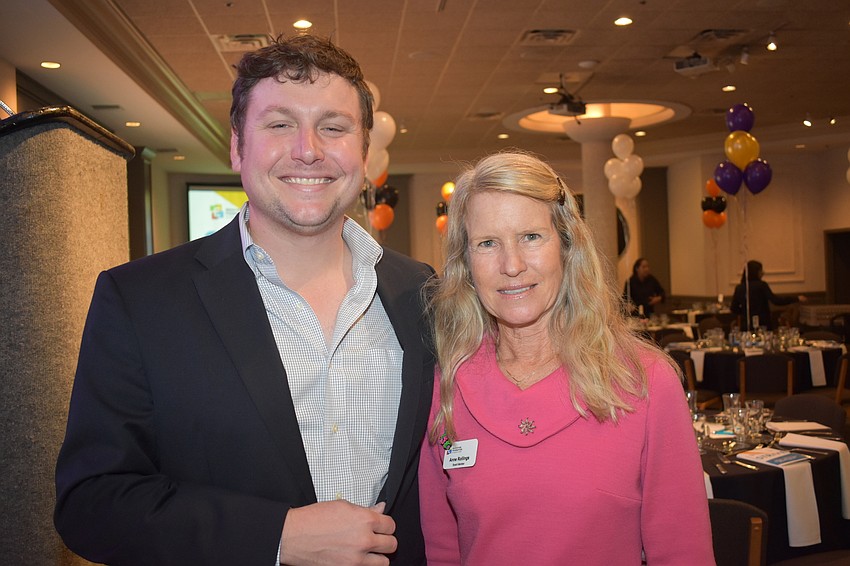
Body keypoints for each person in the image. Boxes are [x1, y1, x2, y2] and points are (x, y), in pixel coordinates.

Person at [54, 34, 435, 566]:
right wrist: (275, 537)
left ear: (364, 153)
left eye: (334, 127)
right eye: (279, 124)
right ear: (236, 145)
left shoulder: (423, 293)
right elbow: (91, 504)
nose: (308, 149)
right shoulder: (140, 300)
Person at [419, 151, 714, 565]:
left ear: (567, 246)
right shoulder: (445, 388)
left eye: (531, 237)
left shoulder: (643, 381)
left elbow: (683, 552)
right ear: (466, 264)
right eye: (487, 243)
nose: (512, 265)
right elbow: (442, 550)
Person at [731, 259, 806, 330]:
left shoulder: (739, 288)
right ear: (756, 272)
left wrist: (745, 312)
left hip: (746, 325)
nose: (763, 272)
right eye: (760, 270)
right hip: (763, 323)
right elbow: (776, 300)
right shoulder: (761, 285)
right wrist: (796, 298)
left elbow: (734, 308)